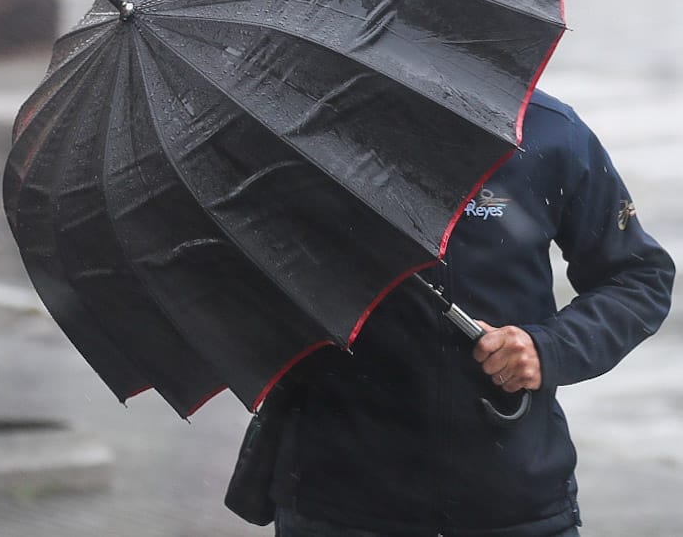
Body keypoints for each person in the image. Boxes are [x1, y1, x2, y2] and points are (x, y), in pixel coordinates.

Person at [253, 89, 675, 537]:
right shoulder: (302, 125)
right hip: (337, 499)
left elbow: (638, 278)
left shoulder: (548, 131)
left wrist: (548, 347)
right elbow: (245, 289)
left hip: (514, 498)